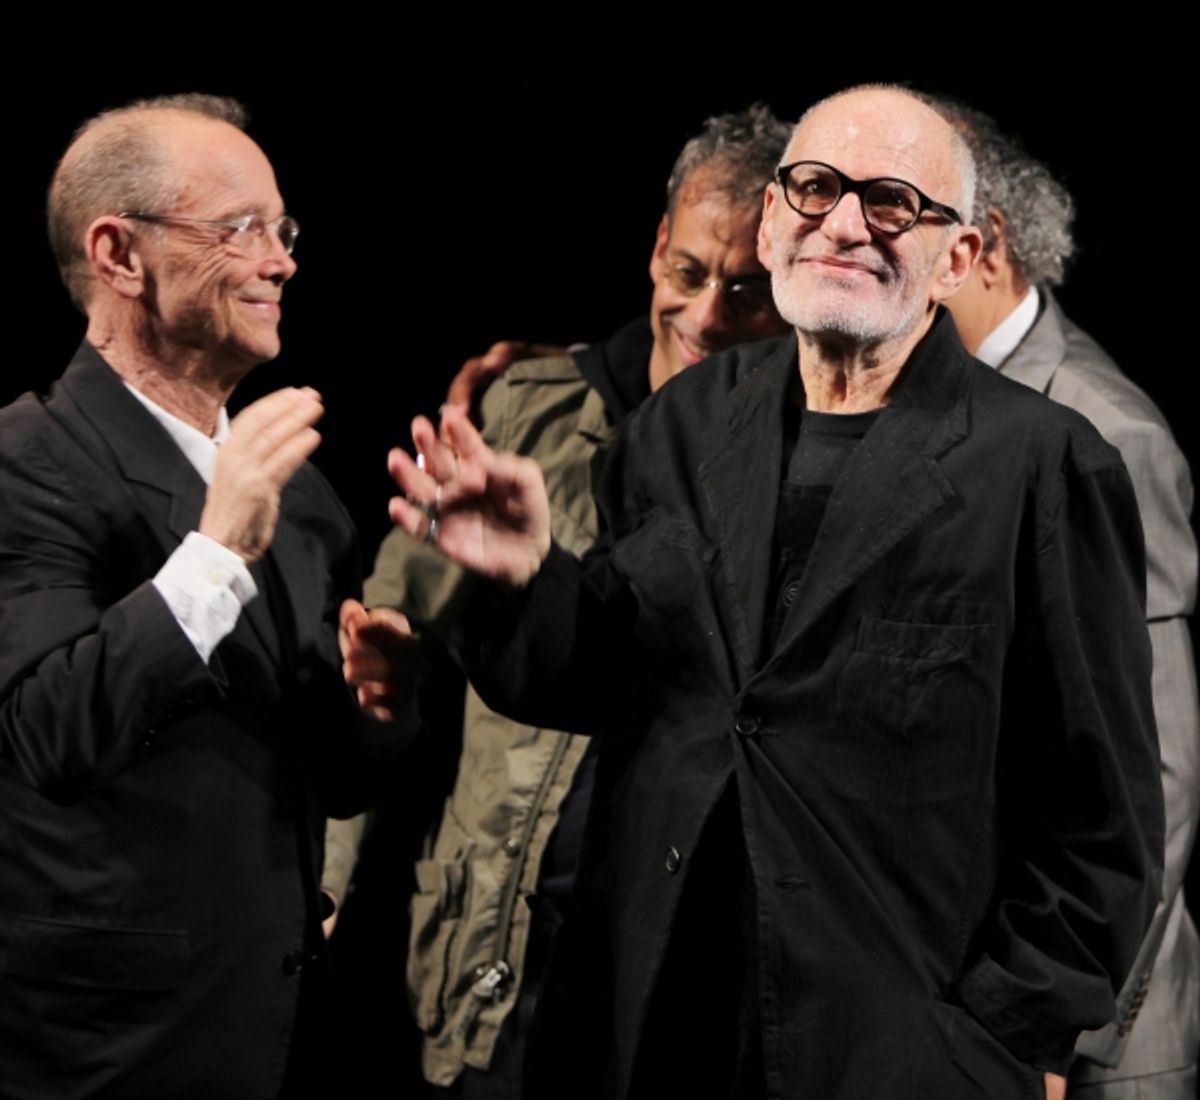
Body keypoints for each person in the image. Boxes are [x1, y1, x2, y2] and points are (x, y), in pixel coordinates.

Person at [384, 85, 1164, 1100]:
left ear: (959, 257)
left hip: (888, 1058)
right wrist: (523, 577)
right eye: (814, 187)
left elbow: (1102, 817)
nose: (842, 223)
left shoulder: (1047, 464)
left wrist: (995, 1037)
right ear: (770, 220)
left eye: (891, 202)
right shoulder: (682, 423)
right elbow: (610, 680)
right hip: (651, 1031)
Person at [355, 105, 790, 1094]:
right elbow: (388, 634)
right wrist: (330, 872)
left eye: (748, 292)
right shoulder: (529, 406)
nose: (706, 316)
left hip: (674, 966)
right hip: (500, 956)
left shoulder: (806, 460)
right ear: (655, 249)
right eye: (689, 272)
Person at [0, 93, 415, 1099]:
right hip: (113, 1051)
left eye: (283, 230)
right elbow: (50, 731)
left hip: (289, 1032)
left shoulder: (297, 491)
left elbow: (335, 781)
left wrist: (379, 703)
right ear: (119, 254)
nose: (281, 262)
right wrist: (217, 549)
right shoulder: (26, 461)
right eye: (241, 229)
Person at [937, 100, 1199, 1099]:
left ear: (984, 243)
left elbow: (1156, 781)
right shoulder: (929, 396)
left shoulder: (1106, 432)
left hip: (1082, 1051)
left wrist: (1043, 1024)